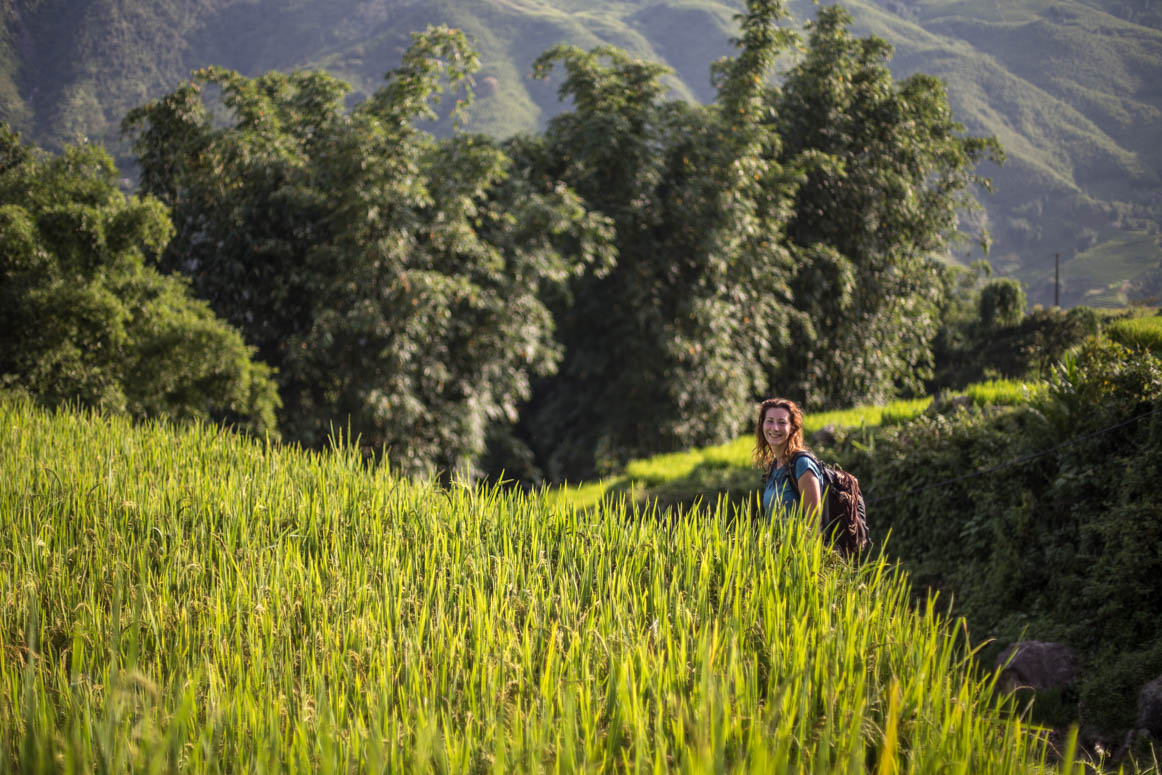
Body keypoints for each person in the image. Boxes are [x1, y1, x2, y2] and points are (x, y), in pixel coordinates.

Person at [753, 397, 823, 526]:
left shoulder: (802, 465)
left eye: (782, 422)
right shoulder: (774, 466)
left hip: (801, 546)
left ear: (792, 428)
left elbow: (814, 524)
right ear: (762, 425)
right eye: (770, 421)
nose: (775, 428)